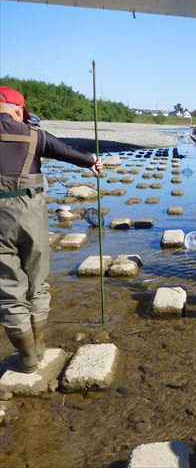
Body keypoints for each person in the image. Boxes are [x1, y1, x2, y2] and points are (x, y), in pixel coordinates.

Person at [0, 86, 102, 373]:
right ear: (19, 110)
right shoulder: (34, 134)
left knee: (8, 289)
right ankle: (40, 344)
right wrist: (92, 161)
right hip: (30, 214)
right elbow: (67, 152)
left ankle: (27, 358)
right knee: (37, 282)